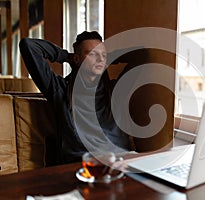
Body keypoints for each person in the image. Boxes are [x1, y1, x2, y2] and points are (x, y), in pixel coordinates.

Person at [19, 31, 132, 164]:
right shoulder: (60, 89)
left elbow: (143, 54)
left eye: (103, 55)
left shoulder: (115, 89)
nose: (100, 59)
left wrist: (111, 57)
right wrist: (67, 56)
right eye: (92, 54)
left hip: (120, 160)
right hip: (80, 164)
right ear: (77, 59)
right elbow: (29, 46)